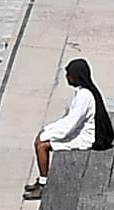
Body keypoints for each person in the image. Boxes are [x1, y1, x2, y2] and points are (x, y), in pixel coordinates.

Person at [26, 57, 109, 197]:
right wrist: (47, 130)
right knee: (41, 139)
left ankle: (43, 184)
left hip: (86, 139)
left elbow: (70, 124)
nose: (66, 77)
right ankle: (42, 179)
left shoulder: (84, 96)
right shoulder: (82, 92)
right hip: (79, 132)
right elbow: (68, 120)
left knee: (41, 146)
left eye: (68, 74)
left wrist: (47, 135)